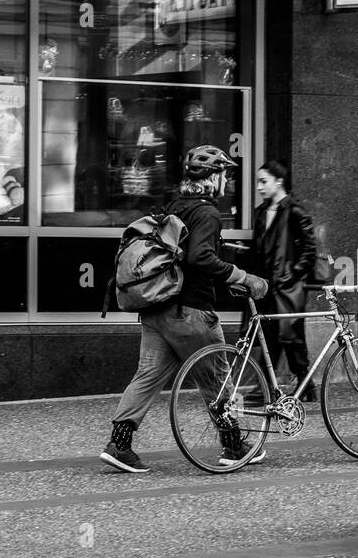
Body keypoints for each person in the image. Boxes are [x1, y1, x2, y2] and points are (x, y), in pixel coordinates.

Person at [101, 145, 268, 473]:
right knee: (218, 379)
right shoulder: (207, 212)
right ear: (214, 177)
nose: (226, 181)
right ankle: (234, 446)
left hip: (157, 309)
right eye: (225, 175)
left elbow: (184, 250)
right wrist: (243, 277)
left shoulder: (176, 203)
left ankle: (119, 444)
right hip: (190, 312)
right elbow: (199, 257)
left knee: (147, 375)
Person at [252, 159, 318, 401]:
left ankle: (298, 386)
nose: (259, 187)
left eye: (263, 181)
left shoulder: (295, 211)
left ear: (278, 181)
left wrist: (293, 274)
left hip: (288, 287)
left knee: (290, 336)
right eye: (257, 182)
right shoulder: (260, 213)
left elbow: (310, 250)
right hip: (267, 286)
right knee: (272, 335)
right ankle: (288, 387)